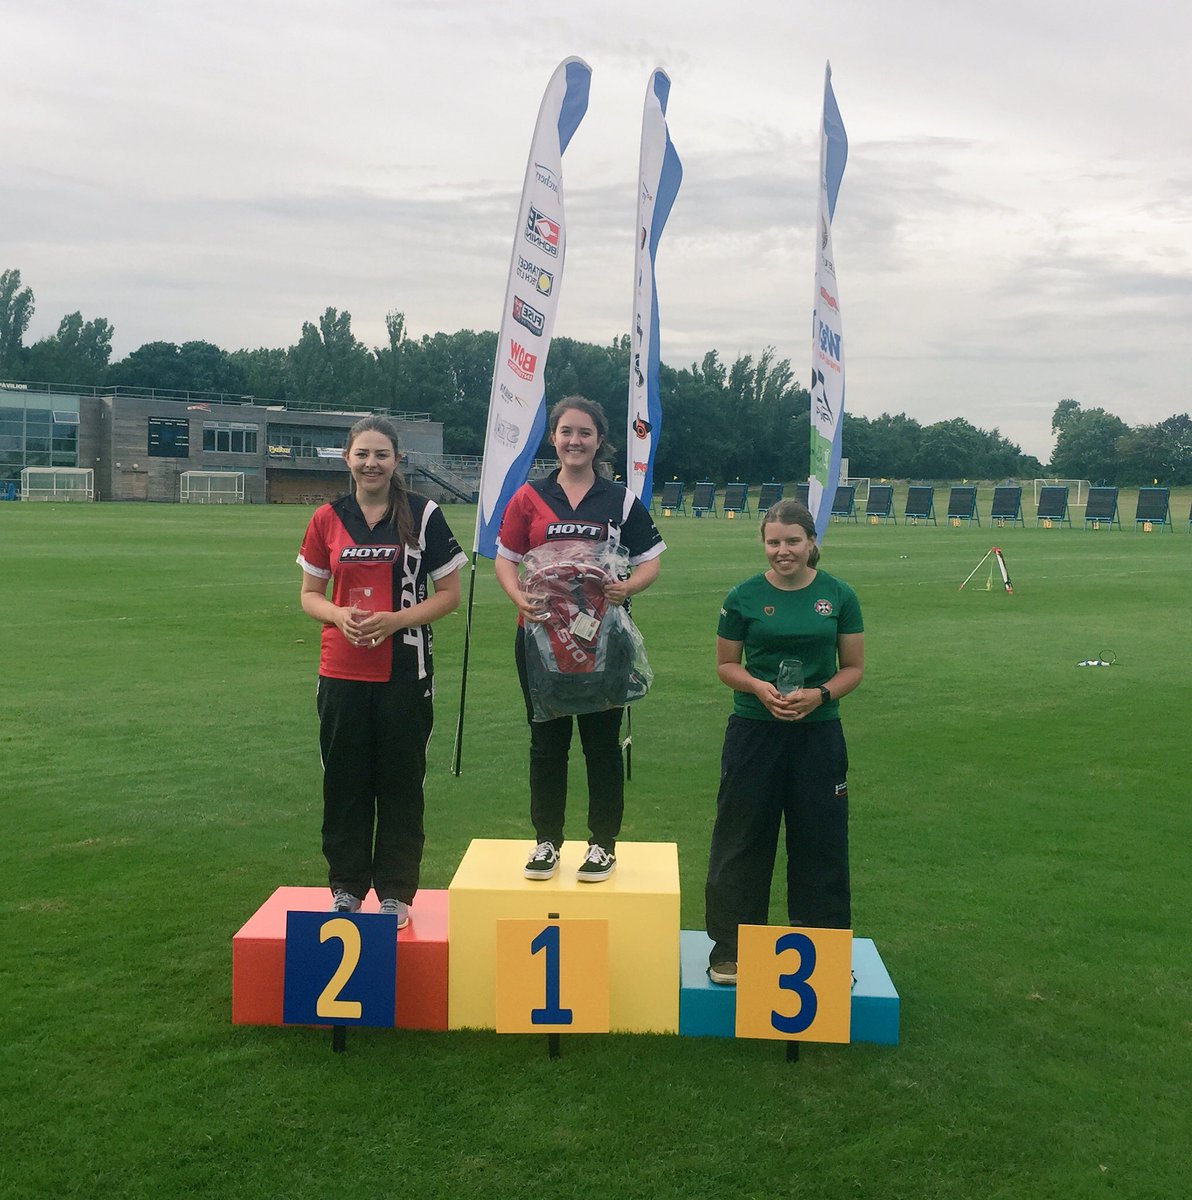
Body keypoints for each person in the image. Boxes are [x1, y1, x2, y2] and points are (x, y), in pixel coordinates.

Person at [297, 415, 466, 926]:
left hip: (405, 671)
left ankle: (396, 891)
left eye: (382, 455)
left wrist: (394, 621)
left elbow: (449, 596)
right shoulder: (327, 517)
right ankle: (346, 887)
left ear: (396, 461)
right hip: (341, 672)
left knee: (399, 782)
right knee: (344, 783)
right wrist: (338, 614)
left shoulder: (425, 513)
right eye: (363, 454)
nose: (372, 464)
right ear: (347, 458)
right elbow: (309, 596)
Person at [494, 396, 665, 882]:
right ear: (554, 438)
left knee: (602, 745)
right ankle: (546, 841)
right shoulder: (528, 497)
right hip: (539, 640)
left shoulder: (620, 498)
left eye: (584, 433)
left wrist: (627, 586)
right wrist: (518, 598)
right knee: (546, 742)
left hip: (603, 641)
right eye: (566, 432)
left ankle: (602, 844)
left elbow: (650, 558)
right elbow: (506, 559)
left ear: (598, 440)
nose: (575, 441)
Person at [704, 499, 864, 984]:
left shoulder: (838, 595)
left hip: (818, 734)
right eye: (774, 542)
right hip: (754, 732)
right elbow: (726, 665)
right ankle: (731, 950)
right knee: (742, 838)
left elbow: (853, 668)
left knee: (821, 841)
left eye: (793, 541)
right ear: (763, 543)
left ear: (812, 542)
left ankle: (821, 951)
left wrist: (819, 695)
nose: (783, 551)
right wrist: (758, 687)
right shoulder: (742, 597)